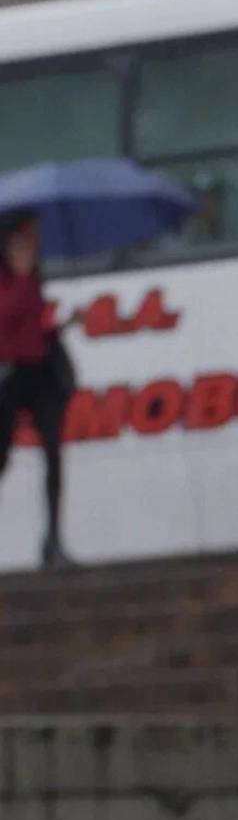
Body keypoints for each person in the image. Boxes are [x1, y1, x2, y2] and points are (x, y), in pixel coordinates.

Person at [0, 212, 75, 568]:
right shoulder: (11, 280)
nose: (27, 250)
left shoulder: (33, 278)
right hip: (9, 376)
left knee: (54, 455)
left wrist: (66, 324)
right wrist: (21, 276)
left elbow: (36, 328)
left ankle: (53, 540)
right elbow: (7, 316)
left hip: (39, 373)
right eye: (19, 243)